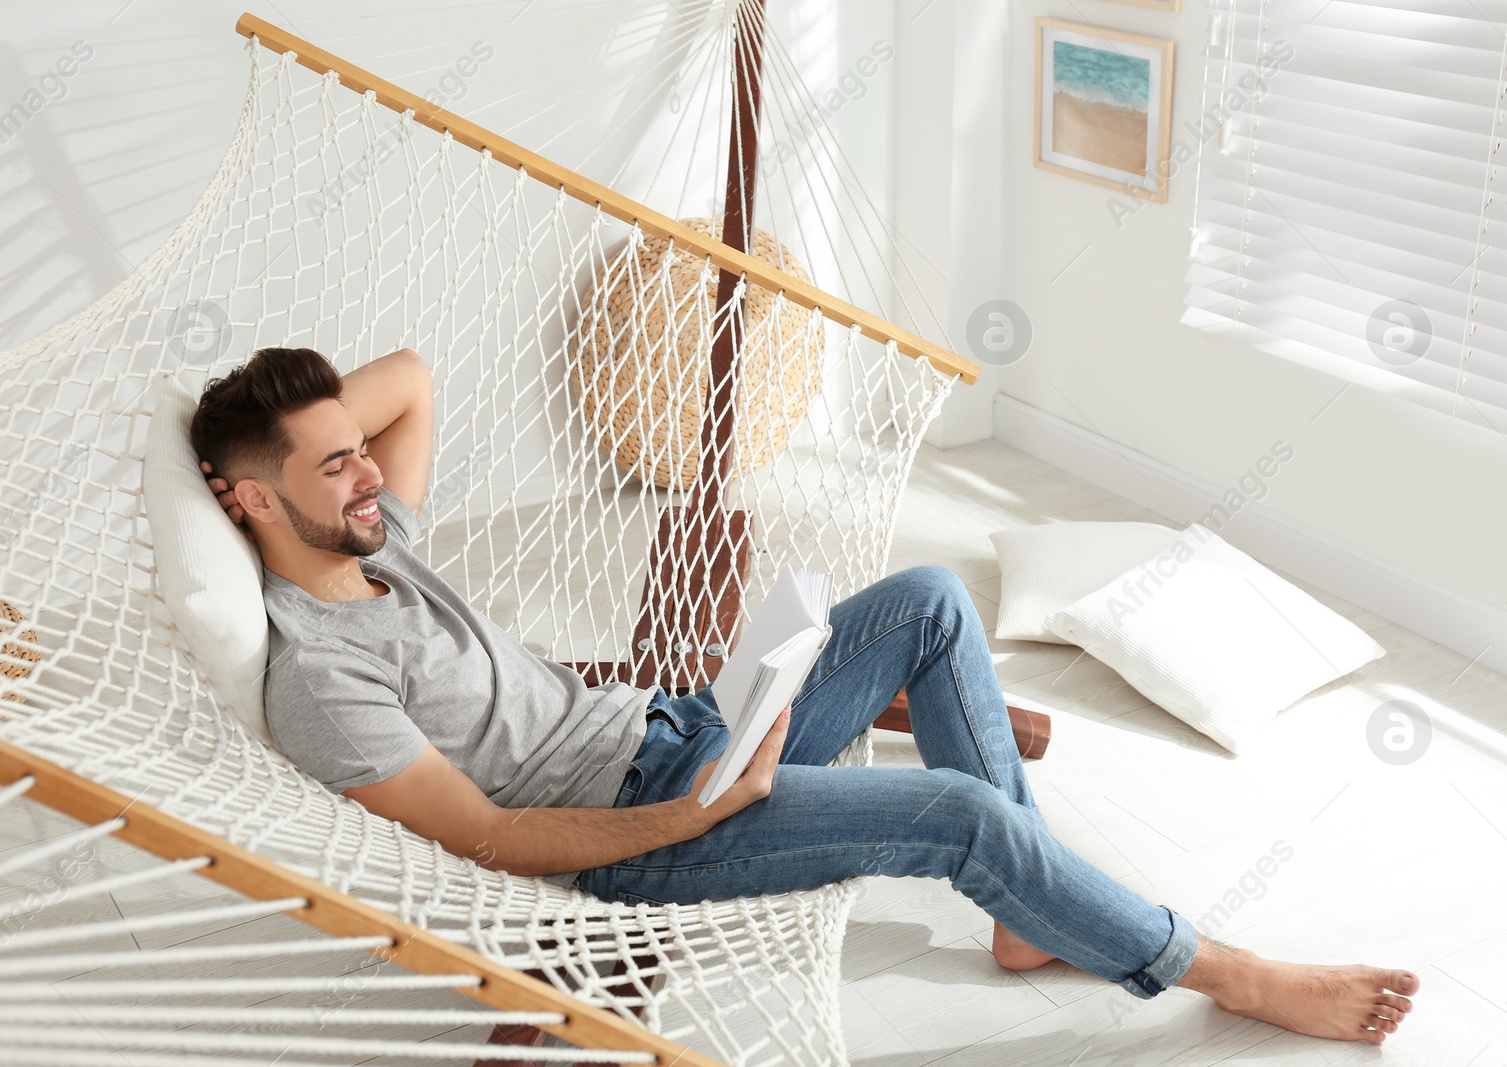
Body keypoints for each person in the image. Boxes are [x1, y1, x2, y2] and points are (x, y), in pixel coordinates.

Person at [191, 345, 1419, 1044]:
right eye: (332, 460)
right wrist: (687, 818)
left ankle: (1027, 915)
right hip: (641, 835)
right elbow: (491, 838)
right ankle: (1231, 970)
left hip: (677, 732)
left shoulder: (368, 534)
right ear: (247, 498)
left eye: (360, 450)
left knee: (930, 597)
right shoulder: (321, 675)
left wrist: (291, 443)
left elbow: (407, 377)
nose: (369, 473)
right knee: (956, 814)